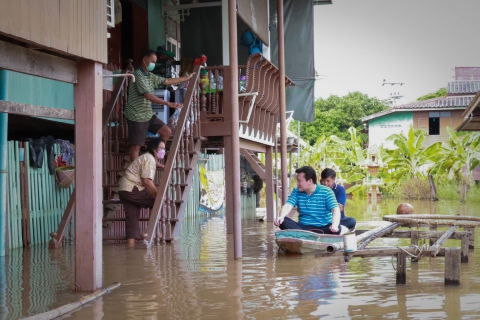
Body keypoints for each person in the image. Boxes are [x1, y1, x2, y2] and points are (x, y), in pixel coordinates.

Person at [125, 49, 196, 164]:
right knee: (136, 146)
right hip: (136, 115)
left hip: (147, 114)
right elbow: (148, 96)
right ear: (144, 60)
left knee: (166, 132)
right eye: (152, 61)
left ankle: (153, 159)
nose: (154, 64)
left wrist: (186, 78)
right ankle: (135, 173)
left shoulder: (150, 75)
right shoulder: (138, 75)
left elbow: (167, 80)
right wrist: (168, 103)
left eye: (155, 62)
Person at [118, 137, 165, 245]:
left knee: (132, 219)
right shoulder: (149, 159)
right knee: (155, 202)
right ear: (154, 149)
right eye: (161, 148)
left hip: (124, 190)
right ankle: (149, 232)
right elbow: (146, 181)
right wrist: (157, 195)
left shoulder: (146, 157)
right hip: (132, 188)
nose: (163, 151)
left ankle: (130, 249)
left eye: (164, 149)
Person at [274, 166, 347, 235]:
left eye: (299, 181)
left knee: (338, 228)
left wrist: (334, 225)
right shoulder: (296, 191)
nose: (297, 184)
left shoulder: (327, 192)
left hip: (323, 229)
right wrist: (281, 216)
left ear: (310, 181)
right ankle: (304, 235)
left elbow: (335, 209)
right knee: (283, 221)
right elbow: (288, 205)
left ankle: (303, 236)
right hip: (303, 228)